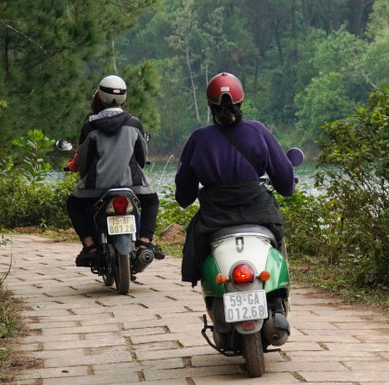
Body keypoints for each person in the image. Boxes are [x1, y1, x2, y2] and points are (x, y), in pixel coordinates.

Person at [174, 72, 296, 285]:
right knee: (279, 236)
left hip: (214, 217)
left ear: (209, 105)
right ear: (241, 102)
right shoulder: (258, 131)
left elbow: (184, 197)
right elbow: (285, 184)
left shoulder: (198, 139)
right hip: (259, 212)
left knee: (197, 244)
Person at [66, 74, 162, 267]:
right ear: (123, 97)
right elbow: (142, 158)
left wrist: (87, 178)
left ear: (100, 96)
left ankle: (90, 247)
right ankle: (144, 243)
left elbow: (83, 161)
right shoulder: (134, 124)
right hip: (132, 185)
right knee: (151, 201)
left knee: (73, 204)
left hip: (96, 187)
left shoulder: (90, 125)